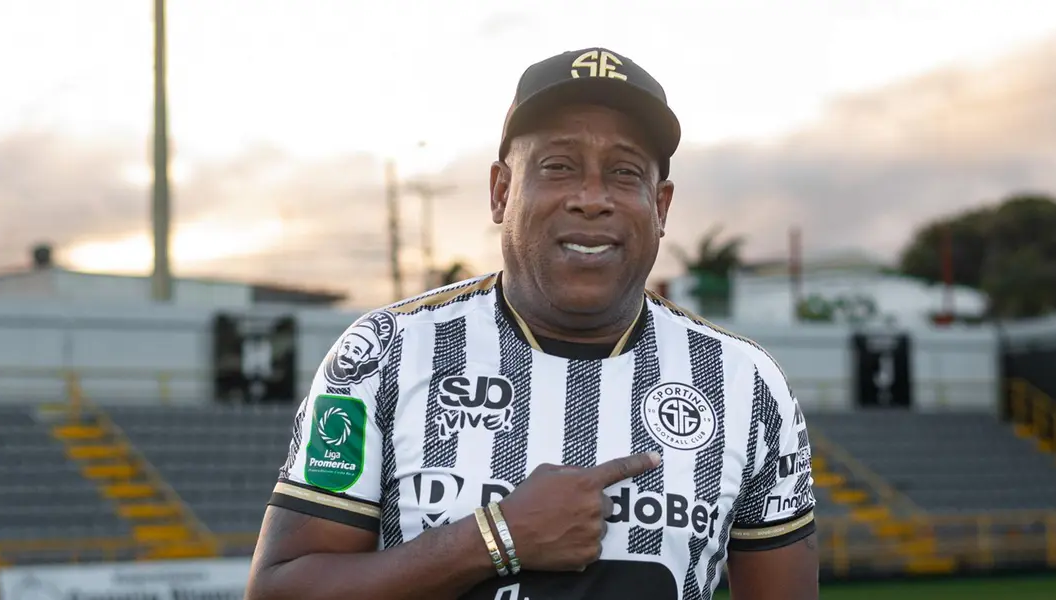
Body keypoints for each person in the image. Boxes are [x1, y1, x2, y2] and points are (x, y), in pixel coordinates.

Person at [245, 46, 819, 600]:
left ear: (661, 207)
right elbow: (280, 590)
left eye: (623, 173)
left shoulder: (745, 384)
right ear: (501, 192)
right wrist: (496, 539)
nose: (592, 199)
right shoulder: (386, 353)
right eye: (559, 166)